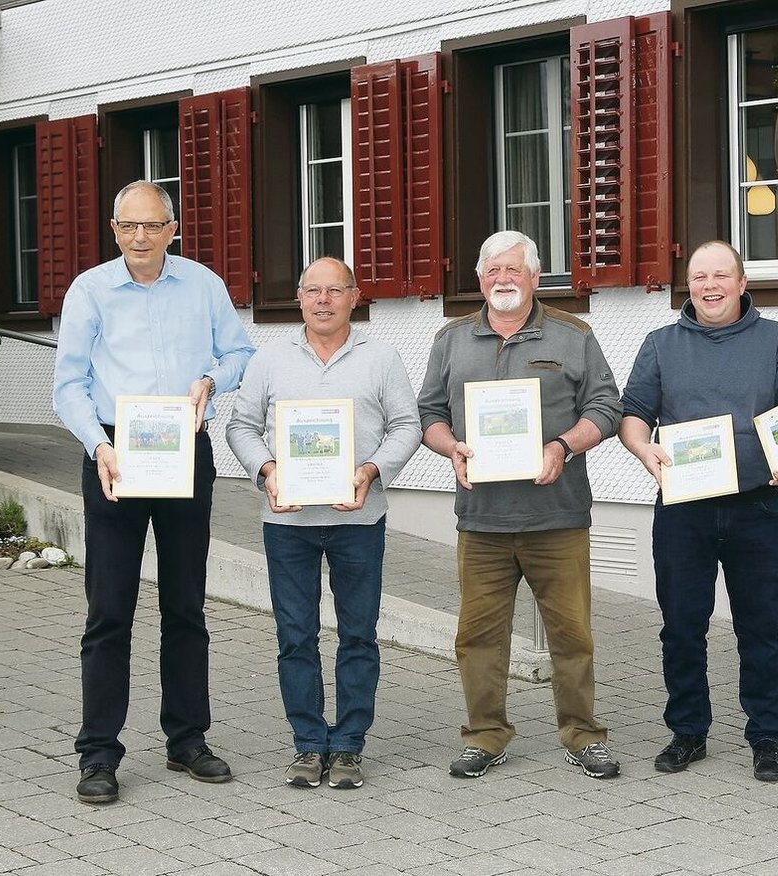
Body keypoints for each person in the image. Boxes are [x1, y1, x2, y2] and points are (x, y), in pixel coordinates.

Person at [52, 180, 256, 804]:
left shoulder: (204, 285)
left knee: (185, 604)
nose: (139, 237)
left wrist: (210, 380)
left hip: (184, 447)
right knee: (109, 609)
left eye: (151, 225)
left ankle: (187, 739)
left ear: (173, 229)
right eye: (127, 226)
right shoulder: (89, 291)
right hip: (115, 453)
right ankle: (98, 753)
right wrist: (98, 445)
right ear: (114, 230)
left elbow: (239, 351)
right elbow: (69, 385)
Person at [418, 230, 623, 779]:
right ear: (479, 279)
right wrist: (450, 447)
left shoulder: (573, 335)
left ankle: (583, 734)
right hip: (481, 519)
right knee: (478, 637)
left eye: (514, 269)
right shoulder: (451, 339)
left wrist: (563, 446)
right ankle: (484, 735)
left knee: (571, 635)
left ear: (535, 277)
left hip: (557, 515)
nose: (503, 279)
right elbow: (429, 413)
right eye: (493, 270)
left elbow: (606, 406)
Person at [619, 240, 778, 783]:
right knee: (681, 626)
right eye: (700, 276)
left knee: (761, 628)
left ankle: (767, 735)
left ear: (742, 283)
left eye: (721, 275)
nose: (710, 286)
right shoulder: (661, 344)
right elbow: (633, 415)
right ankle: (688, 731)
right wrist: (643, 449)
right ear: (689, 285)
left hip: (757, 506)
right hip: (684, 511)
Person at [226, 257, 421, 790]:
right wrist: (267, 470)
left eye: (335, 290)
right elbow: (241, 426)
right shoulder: (269, 359)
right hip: (287, 522)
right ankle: (309, 743)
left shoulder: (381, 357)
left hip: (359, 518)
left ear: (355, 297)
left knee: (358, 635)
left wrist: (371, 471)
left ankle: (350, 743)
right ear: (299, 297)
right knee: (295, 635)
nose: (323, 300)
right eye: (313, 290)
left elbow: (407, 425)